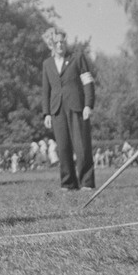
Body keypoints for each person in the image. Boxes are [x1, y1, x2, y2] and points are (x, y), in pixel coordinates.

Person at [41, 26, 96, 191]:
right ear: (51, 45)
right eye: (56, 43)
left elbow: (88, 82)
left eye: (62, 42)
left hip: (77, 106)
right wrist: (46, 113)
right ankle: (68, 183)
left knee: (81, 146)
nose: (60, 45)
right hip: (57, 109)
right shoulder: (47, 64)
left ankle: (86, 182)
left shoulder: (77, 58)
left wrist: (88, 105)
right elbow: (45, 90)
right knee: (63, 147)